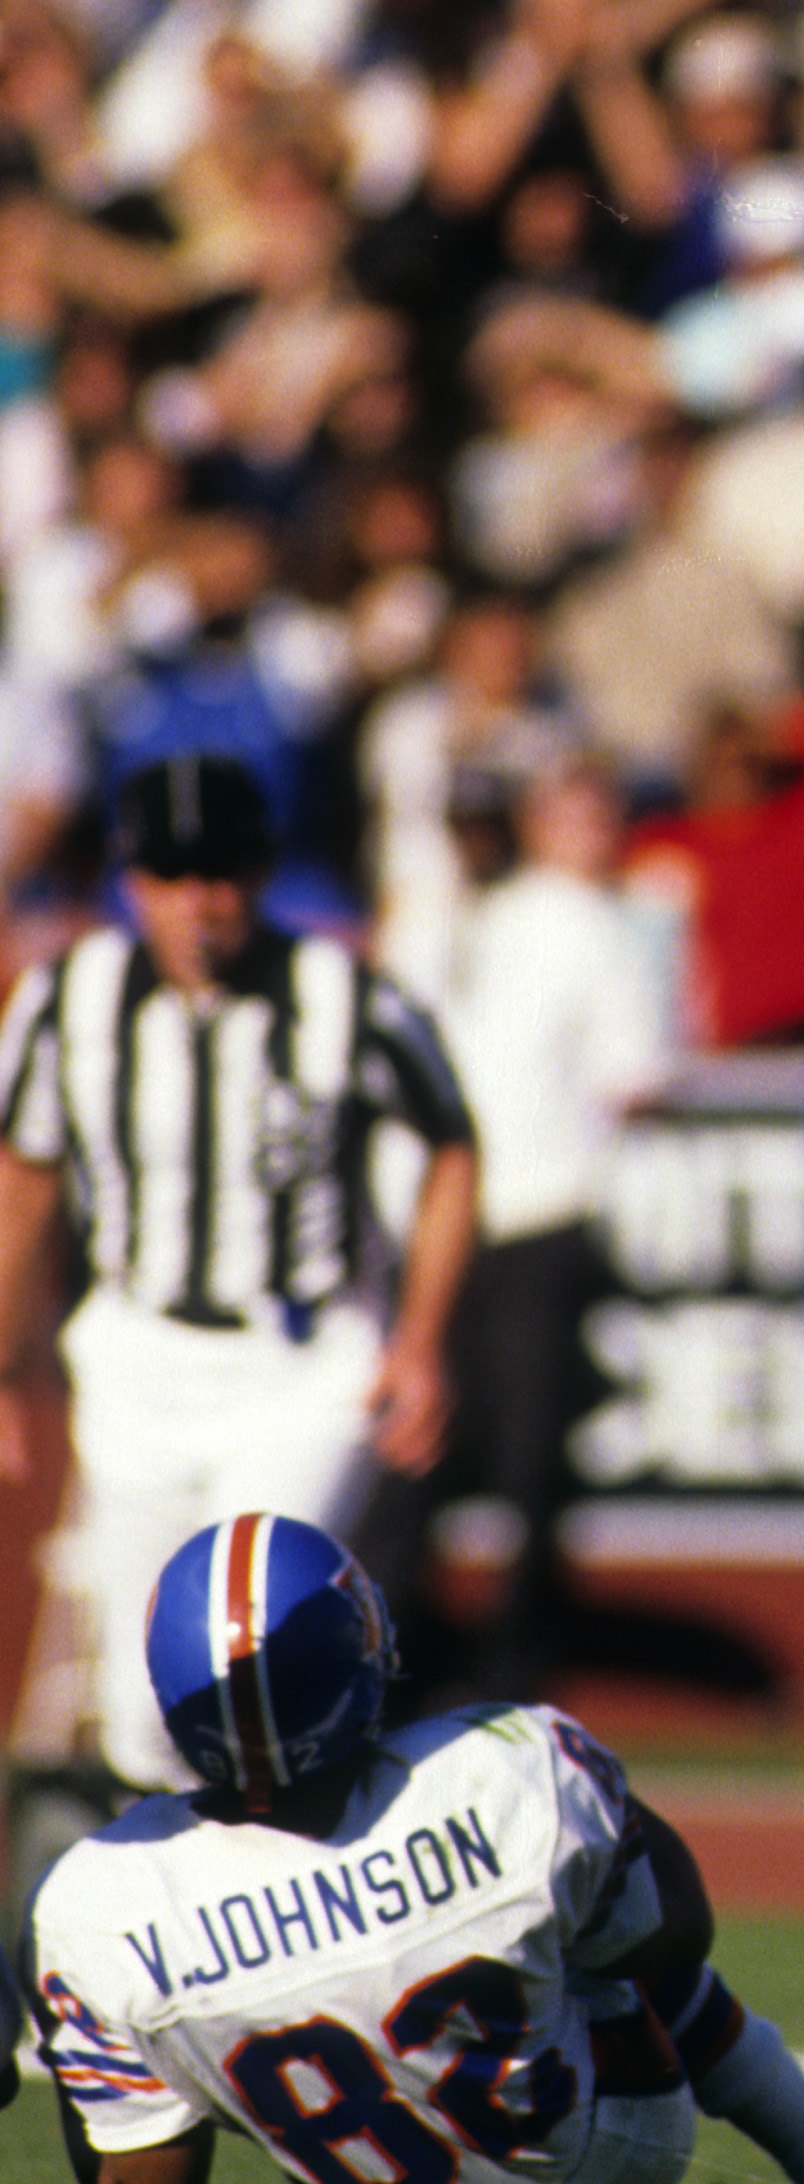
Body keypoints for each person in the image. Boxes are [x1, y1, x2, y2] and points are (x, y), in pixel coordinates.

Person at [26, 1510, 804, 2184]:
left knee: (169, 2029)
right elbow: (677, 1927)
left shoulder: (98, 1895)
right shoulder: (504, 1767)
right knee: (595, 1918)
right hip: (605, 2157)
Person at [0, 753, 477, 1798]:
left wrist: (419, 1340)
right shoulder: (66, 1001)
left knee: (253, 1650)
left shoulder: (339, 994)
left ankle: (304, 1912)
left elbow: (450, 1142)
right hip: (137, 1355)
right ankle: (189, 1934)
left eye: (223, 874)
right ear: (131, 882)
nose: (201, 903)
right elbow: (24, 1184)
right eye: (173, 875)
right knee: (142, 1709)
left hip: (296, 1365)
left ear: (261, 877)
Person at [433, 761, 677, 1692]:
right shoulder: (584, 923)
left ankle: (453, 1650)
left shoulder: (488, 917)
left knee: (468, 1445)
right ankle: (506, 1659)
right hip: (531, 1209)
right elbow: (638, 1072)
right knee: (524, 1454)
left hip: (486, 1209)